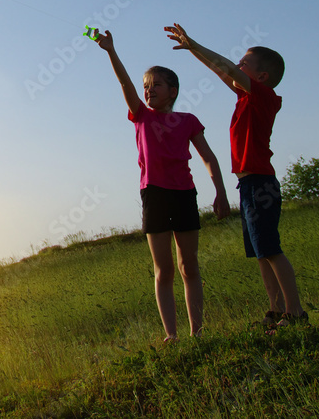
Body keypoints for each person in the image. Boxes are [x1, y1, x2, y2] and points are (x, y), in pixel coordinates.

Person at [164, 22, 307, 328]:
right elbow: (223, 71)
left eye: (245, 64)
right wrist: (192, 50)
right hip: (247, 184)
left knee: (271, 248)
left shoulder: (265, 97)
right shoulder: (246, 98)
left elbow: (227, 66)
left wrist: (195, 43)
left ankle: (295, 312)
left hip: (261, 183)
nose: (238, 66)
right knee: (260, 251)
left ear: (262, 76)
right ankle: (275, 309)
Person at [96, 29, 230, 341]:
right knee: (164, 269)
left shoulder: (188, 120)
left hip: (184, 194)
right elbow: (124, 84)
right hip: (154, 195)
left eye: (156, 85)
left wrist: (220, 192)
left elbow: (208, 157)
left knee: (189, 266)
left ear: (173, 90)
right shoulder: (140, 115)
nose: (148, 90)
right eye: (146, 86)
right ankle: (171, 335)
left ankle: (198, 331)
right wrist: (111, 51)